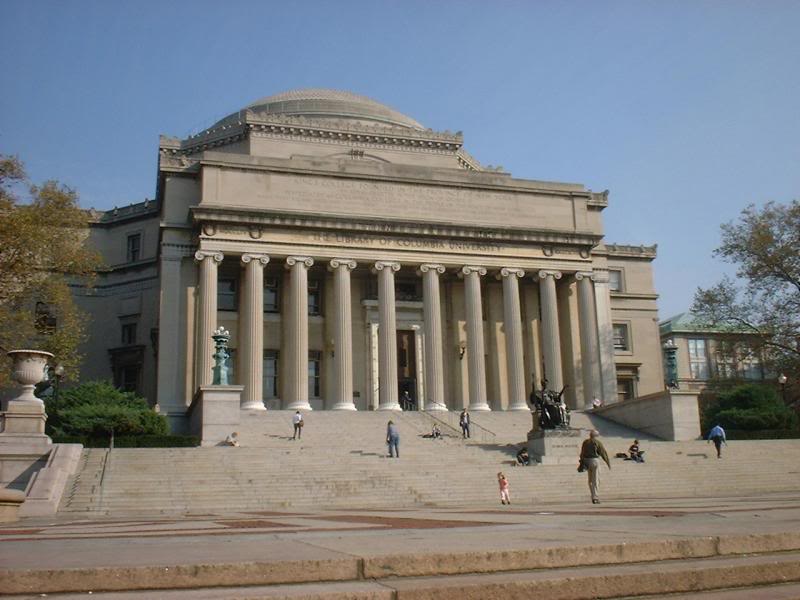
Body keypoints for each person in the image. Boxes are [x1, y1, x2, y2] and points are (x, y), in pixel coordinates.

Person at [579, 430, 611, 504]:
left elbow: (582, 452)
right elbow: (603, 452)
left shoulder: (585, 442)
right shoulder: (597, 442)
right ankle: (595, 497)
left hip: (587, 461)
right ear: (596, 436)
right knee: (596, 479)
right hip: (594, 461)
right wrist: (608, 462)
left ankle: (592, 495)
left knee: (590, 480)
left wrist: (582, 461)